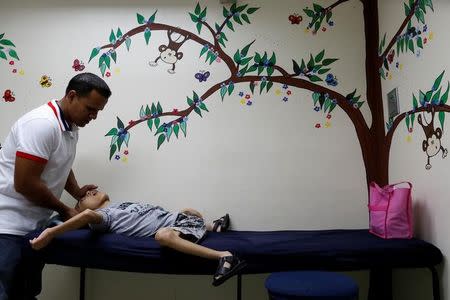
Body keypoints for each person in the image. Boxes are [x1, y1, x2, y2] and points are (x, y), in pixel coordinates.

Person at [0, 72, 111, 300]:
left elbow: (60, 162)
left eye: (98, 111)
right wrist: (66, 209)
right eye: (91, 109)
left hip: (34, 226)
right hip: (7, 227)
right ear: (71, 96)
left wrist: (77, 191)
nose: (94, 116)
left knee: (25, 293)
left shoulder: (70, 126)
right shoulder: (42, 124)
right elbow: (25, 184)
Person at [30, 190, 247, 286]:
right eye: (81, 199)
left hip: (182, 219)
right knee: (162, 236)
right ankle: (224, 256)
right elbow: (86, 215)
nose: (88, 193)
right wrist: (50, 232)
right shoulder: (104, 218)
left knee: (187, 210)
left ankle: (213, 225)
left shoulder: (118, 205)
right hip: (177, 227)